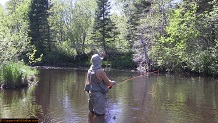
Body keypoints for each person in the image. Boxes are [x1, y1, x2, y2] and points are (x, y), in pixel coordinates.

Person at [84, 54, 116, 119]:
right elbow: (108, 83)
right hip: (98, 97)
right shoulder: (100, 71)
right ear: (99, 62)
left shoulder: (89, 71)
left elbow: (87, 84)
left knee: (91, 113)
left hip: (91, 95)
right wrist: (114, 82)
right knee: (100, 115)